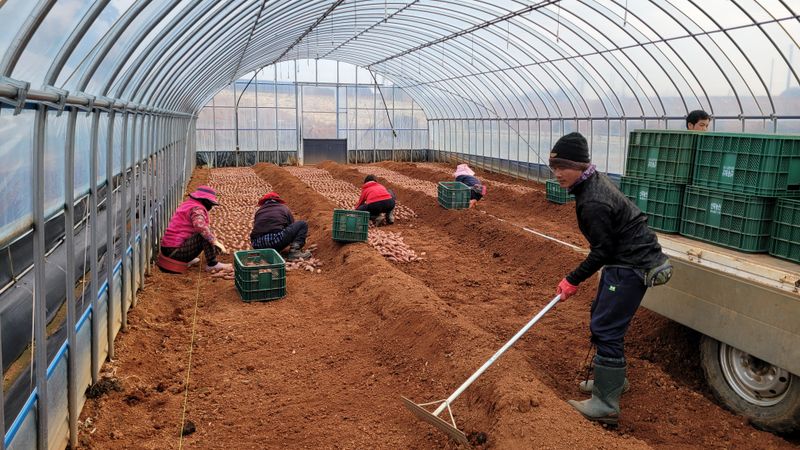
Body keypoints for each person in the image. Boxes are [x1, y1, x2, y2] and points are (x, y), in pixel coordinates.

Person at [549, 132, 672, 426]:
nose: (556, 174)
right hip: (624, 259)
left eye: (562, 167)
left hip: (631, 265)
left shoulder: (593, 201)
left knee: (606, 327)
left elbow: (601, 251)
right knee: (601, 315)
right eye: (553, 167)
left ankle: (605, 403)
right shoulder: (590, 183)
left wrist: (572, 279)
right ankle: (611, 382)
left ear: (580, 165)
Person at [160, 185, 231, 273]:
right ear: (204, 200)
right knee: (205, 233)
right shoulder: (197, 208)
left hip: (167, 249)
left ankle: (187, 259)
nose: (211, 207)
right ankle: (212, 264)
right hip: (174, 252)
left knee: (206, 231)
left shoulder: (188, 204)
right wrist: (214, 241)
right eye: (210, 203)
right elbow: (199, 226)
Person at [250, 191, 312, 260]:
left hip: (257, 244)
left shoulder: (259, 211)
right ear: (277, 201)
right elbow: (291, 225)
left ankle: (265, 254)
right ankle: (294, 252)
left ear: (264, 202)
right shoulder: (284, 208)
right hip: (276, 241)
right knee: (302, 224)